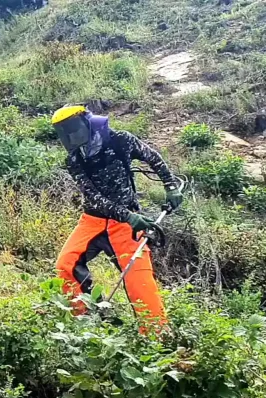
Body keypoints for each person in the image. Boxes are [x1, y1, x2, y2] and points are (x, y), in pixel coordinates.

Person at [51, 105, 183, 327]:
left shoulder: (121, 140)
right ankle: (85, 322)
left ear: (87, 123)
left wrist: (170, 186)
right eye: (65, 132)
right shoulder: (74, 159)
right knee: (66, 265)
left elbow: (153, 157)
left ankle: (156, 336)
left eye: (73, 129)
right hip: (92, 220)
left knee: (139, 282)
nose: (71, 136)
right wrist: (129, 217)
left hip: (125, 227)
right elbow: (93, 197)